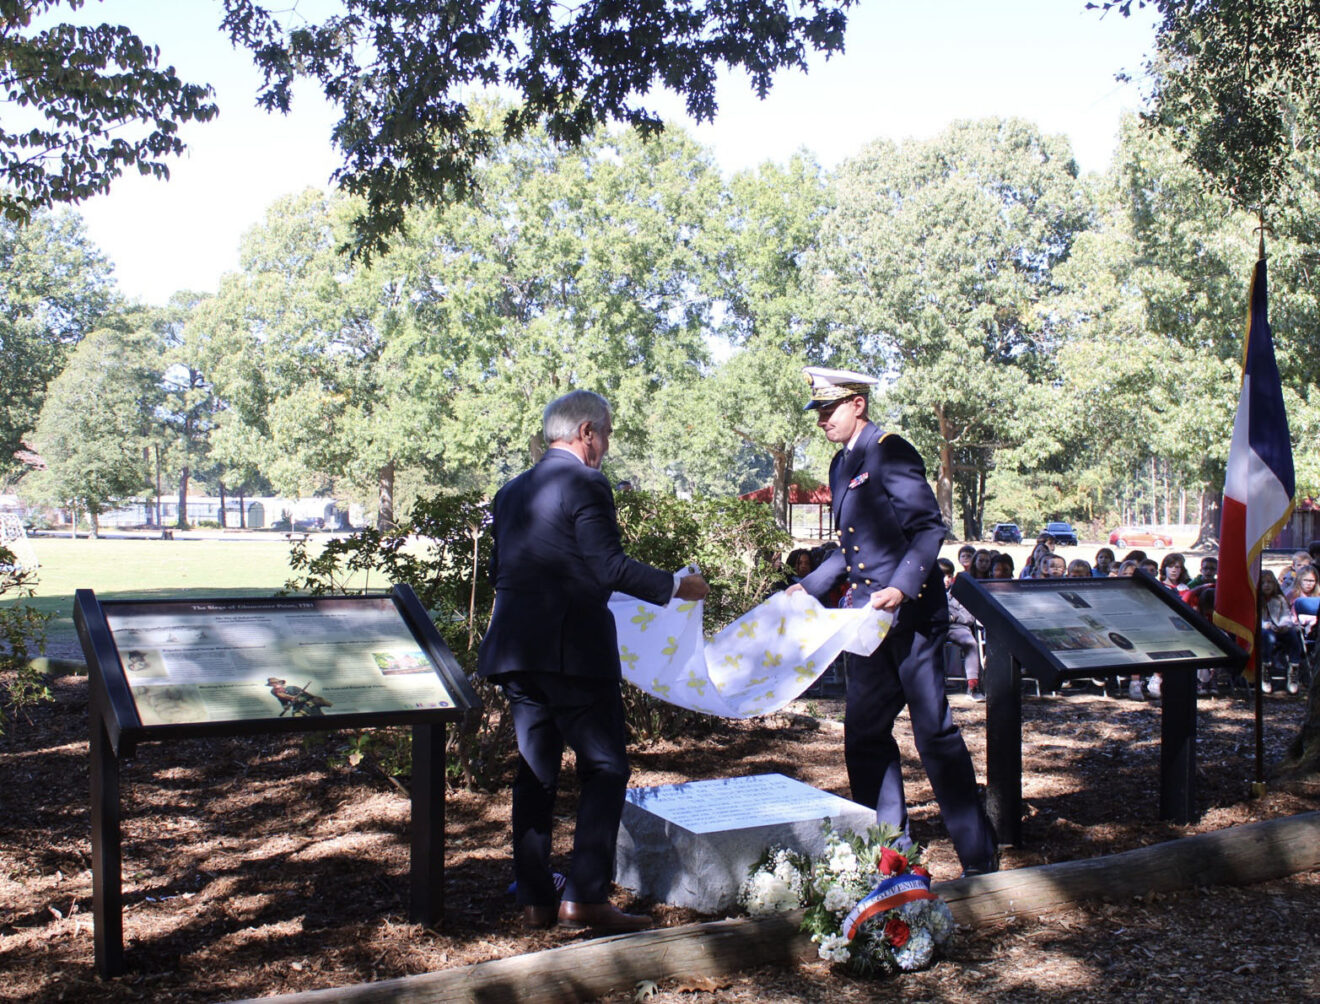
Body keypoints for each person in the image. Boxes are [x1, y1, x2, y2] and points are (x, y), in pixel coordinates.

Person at [477, 389, 710, 932]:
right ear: (586, 432)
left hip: (516, 652)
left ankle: (535, 899)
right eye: (604, 434)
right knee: (605, 768)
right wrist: (678, 585)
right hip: (574, 654)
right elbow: (608, 566)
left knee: (535, 775)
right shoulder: (585, 481)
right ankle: (585, 897)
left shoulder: (512, 490)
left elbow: (504, 573)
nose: (605, 446)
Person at [786, 367, 998, 877]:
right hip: (864, 622)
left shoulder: (891, 449)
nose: (821, 422)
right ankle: (887, 854)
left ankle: (977, 857)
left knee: (934, 735)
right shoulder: (842, 465)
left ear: (857, 404)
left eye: (829, 410)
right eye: (817, 413)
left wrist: (902, 587)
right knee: (862, 734)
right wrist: (809, 586)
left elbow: (928, 528)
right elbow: (850, 549)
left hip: (912, 619)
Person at [939, 557, 984, 701]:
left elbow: (969, 617)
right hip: (936, 628)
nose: (946, 580)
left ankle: (973, 686)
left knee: (970, 644)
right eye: (942, 576)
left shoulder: (960, 592)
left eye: (949, 576)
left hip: (958, 628)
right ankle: (932, 684)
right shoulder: (928, 593)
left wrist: (952, 617)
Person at [1259, 569, 1304, 695]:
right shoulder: (1256, 599)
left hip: (1280, 628)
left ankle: (1293, 668)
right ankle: (1265, 669)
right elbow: (1253, 617)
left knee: (1293, 634)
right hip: (1265, 630)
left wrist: (1284, 624)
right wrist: (1264, 625)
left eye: (1269, 582)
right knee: (1267, 637)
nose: (1266, 585)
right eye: (1263, 583)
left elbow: (1286, 614)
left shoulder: (1279, 598)